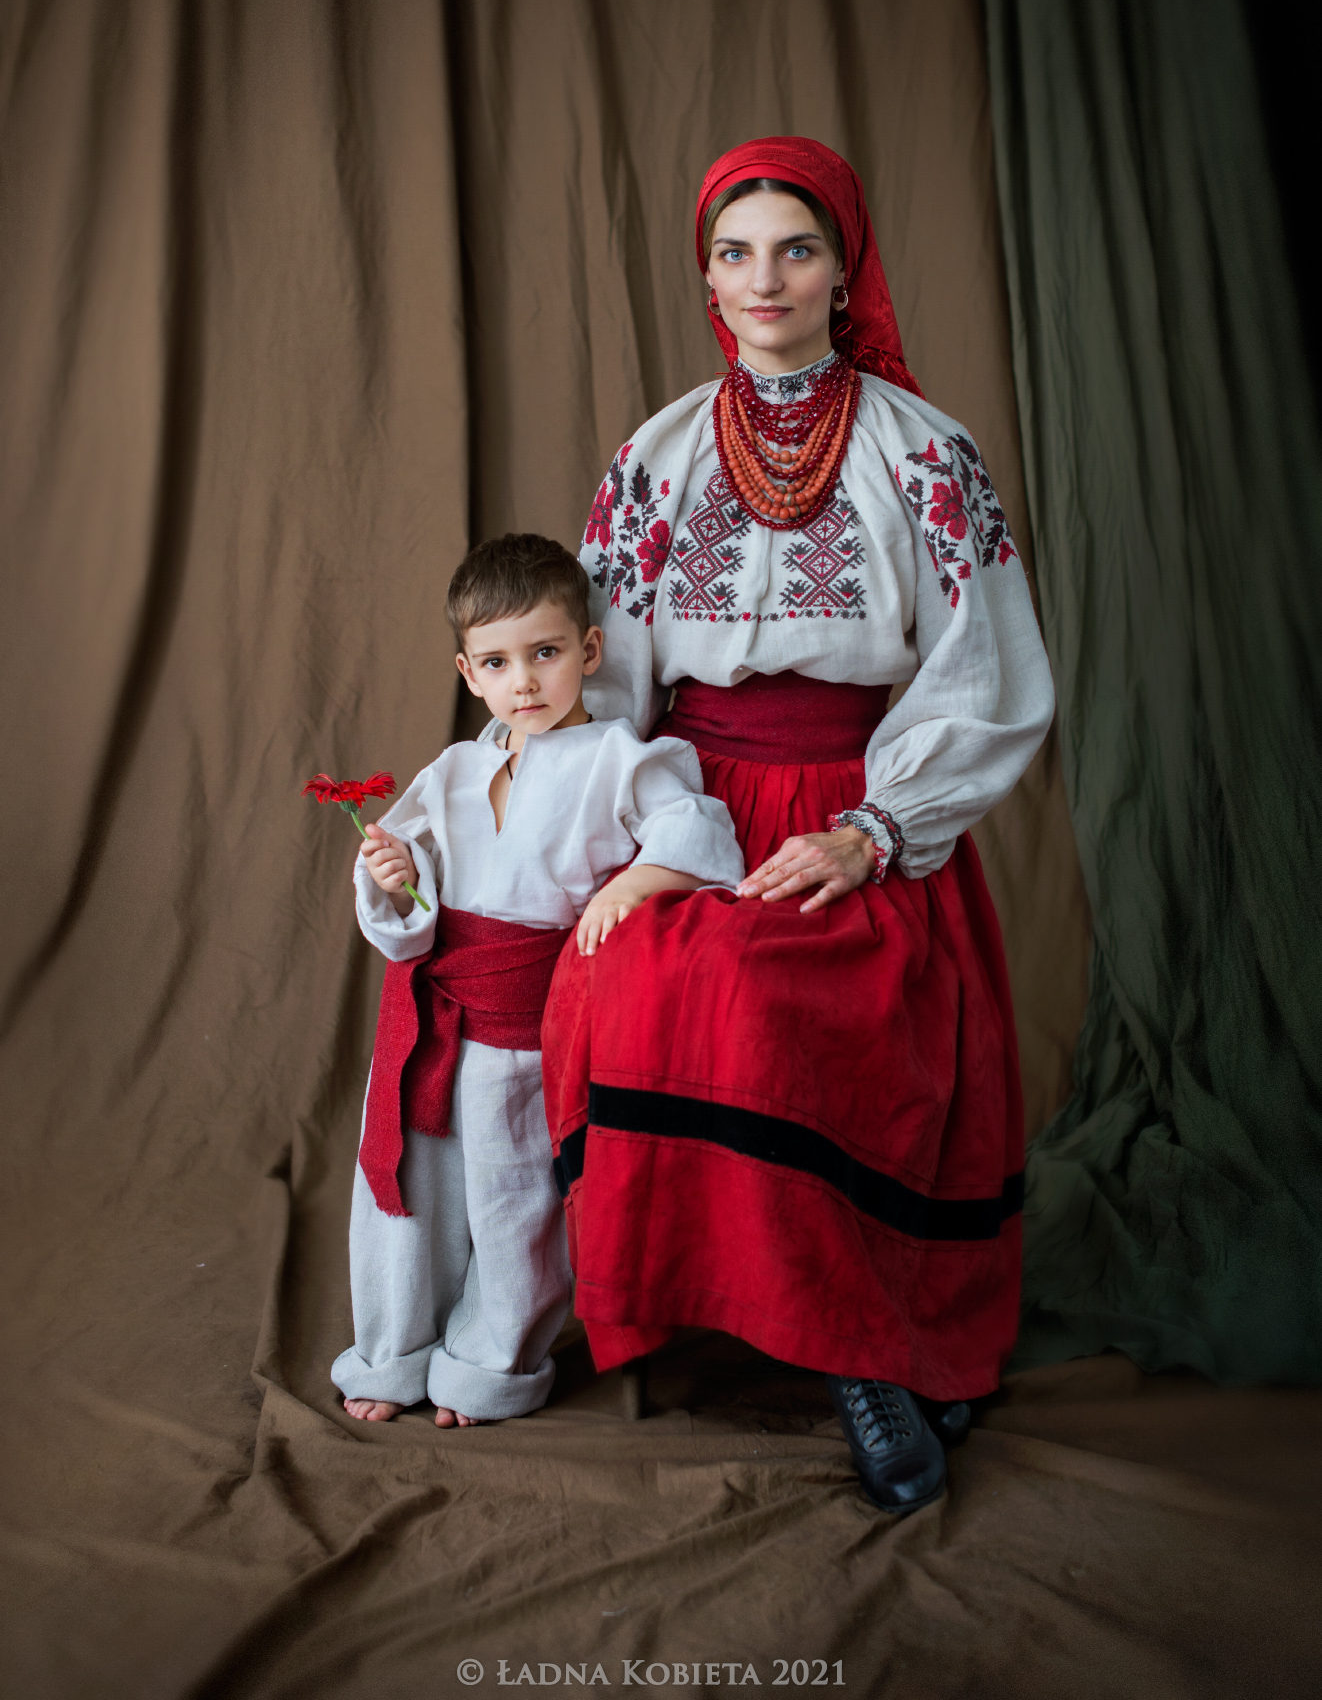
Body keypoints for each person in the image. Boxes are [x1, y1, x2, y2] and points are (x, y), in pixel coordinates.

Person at [540, 137, 1056, 1514]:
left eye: (796, 249)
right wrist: (617, 831)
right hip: (690, 807)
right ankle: (765, 1326)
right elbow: (596, 670)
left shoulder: (924, 453)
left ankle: (868, 1351)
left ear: (844, 269)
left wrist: (875, 832)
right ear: (705, 275)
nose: (763, 280)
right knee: (652, 975)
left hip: (857, 809)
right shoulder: (654, 458)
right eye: (733, 253)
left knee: (789, 1006)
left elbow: (985, 671)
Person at [331, 533, 744, 1429]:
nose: (524, 681)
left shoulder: (620, 760)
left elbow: (701, 832)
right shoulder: (454, 770)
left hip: (530, 1028)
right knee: (407, 1195)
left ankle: (488, 1365)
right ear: (468, 672)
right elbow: (406, 917)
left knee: (517, 1204)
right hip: (434, 1017)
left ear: (587, 653)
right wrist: (397, 874)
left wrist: (636, 881)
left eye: (545, 653)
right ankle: (391, 1352)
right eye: (497, 662)